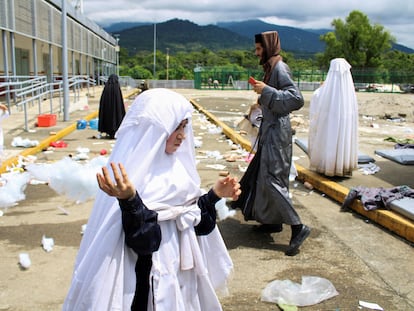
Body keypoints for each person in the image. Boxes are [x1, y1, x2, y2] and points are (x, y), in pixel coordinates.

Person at [63, 88, 240, 310]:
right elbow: (145, 242)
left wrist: (213, 196)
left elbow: (195, 225)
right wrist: (130, 200)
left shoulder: (180, 169)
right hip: (144, 284)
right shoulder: (129, 177)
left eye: (184, 127)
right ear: (153, 128)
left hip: (182, 279)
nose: (182, 135)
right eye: (175, 127)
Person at [239, 30, 310, 256]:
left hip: (277, 133)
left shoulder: (280, 68)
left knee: (272, 179)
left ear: (268, 47)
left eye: (259, 49)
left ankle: (297, 226)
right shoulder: (270, 69)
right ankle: (273, 221)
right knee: (264, 176)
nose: (257, 53)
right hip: (270, 131)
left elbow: (297, 99)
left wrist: (266, 91)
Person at [308, 58, 358, 177]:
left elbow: (317, 99)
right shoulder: (349, 93)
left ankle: (328, 165)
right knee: (343, 139)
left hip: (329, 123)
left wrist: (321, 88)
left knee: (329, 140)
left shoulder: (327, 91)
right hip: (344, 122)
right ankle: (343, 165)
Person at [98, 74, 126, 139]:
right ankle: (115, 131)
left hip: (107, 109)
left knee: (108, 117)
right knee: (116, 116)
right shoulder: (117, 87)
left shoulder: (106, 87)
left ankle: (109, 132)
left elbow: (103, 101)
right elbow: (119, 101)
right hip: (116, 109)